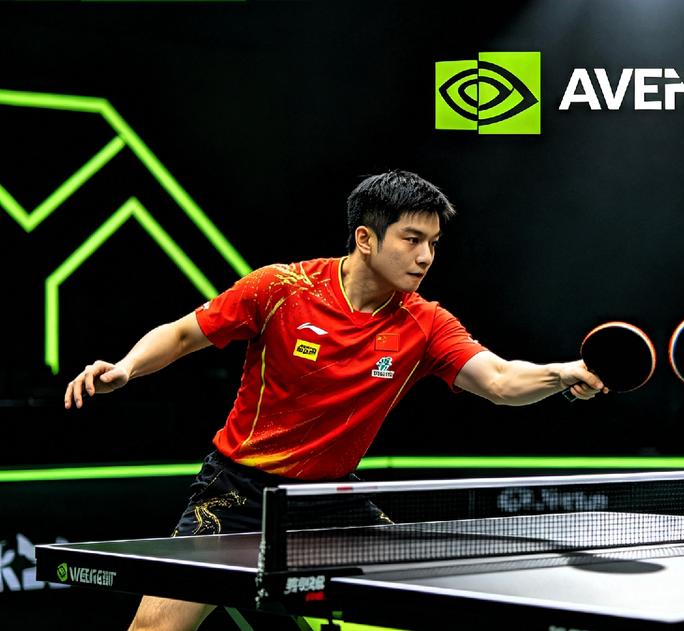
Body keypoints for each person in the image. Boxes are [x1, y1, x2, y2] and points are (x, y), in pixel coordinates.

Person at [63, 170, 604, 631]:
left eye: (434, 243)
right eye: (412, 239)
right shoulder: (281, 288)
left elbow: (501, 380)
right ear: (366, 238)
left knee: (422, 610)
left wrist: (562, 373)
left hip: (332, 501)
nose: (425, 257)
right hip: (238, 494)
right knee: (156, 627)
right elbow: (184, 334)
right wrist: (128, 367)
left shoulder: (425, 323)